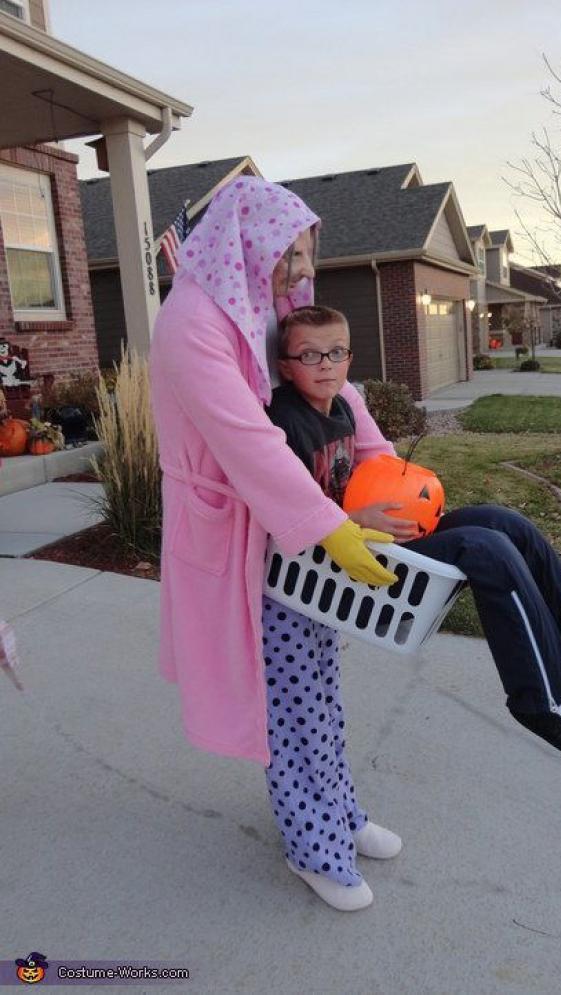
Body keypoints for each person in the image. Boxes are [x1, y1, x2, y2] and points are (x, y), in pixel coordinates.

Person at [149, 176, 402, 914]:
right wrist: (328, 526)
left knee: (319, 685)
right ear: (250, 240)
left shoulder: (265, 300)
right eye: (291, 253)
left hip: (293, 527)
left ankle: (341, 814)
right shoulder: (192, 321)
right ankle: (311, 847)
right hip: (245, 538)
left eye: (306, 253)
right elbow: (247, 438)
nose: (300, 270)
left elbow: (338, 391)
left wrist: (385, 464)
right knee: (285, 703)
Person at [266, 304, 561, 762]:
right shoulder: (279, 421)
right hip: (348, 564)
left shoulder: (342, 407)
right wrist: (352, 520)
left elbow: (376, 464)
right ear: (284, 366)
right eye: (309, 356)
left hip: (382, 534)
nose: (325, 365)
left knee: (503, 521)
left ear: (349, 358)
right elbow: (285, 504)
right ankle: (540, 701)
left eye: (336, 353)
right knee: (485, 547)